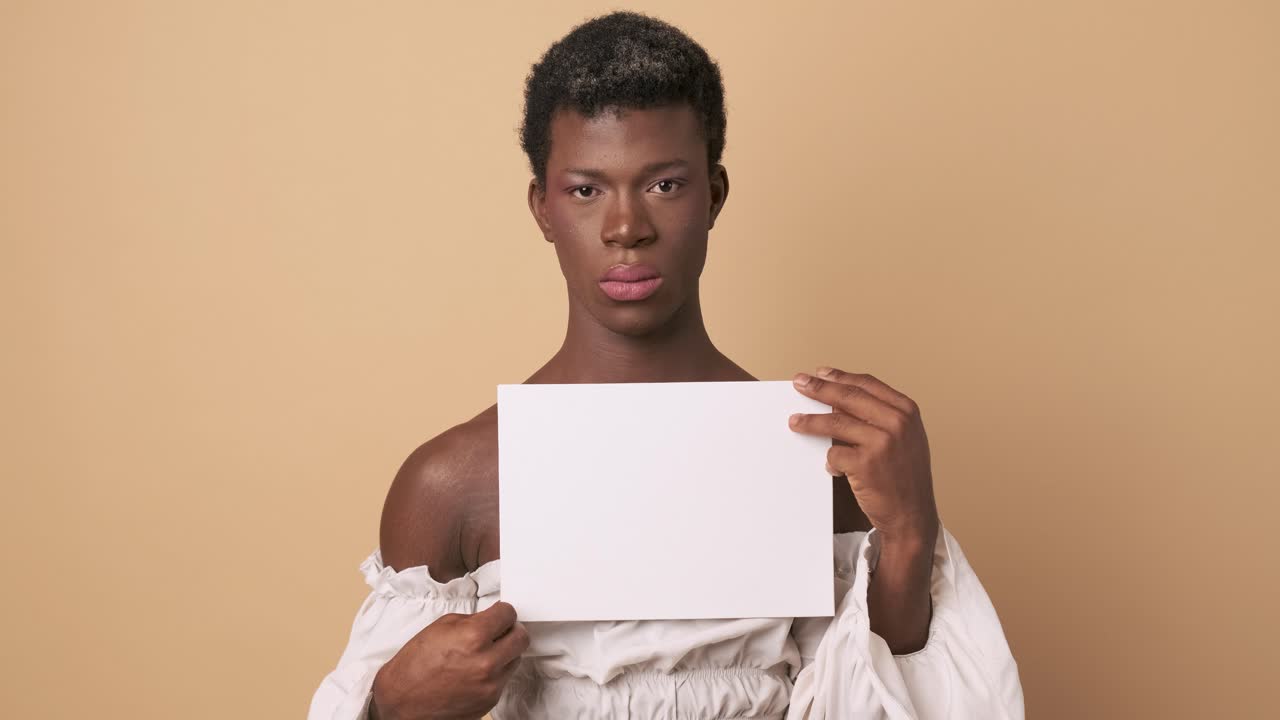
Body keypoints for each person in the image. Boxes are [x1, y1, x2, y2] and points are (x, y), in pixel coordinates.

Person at [309, 10, 1023, 720]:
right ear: (542, 208)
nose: (626, 228)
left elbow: (871, 701)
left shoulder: (817, 455)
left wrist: (907, 532)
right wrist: (389, 706)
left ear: (713, 194)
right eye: (586, 189)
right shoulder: (451, 483)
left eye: (664, 185)